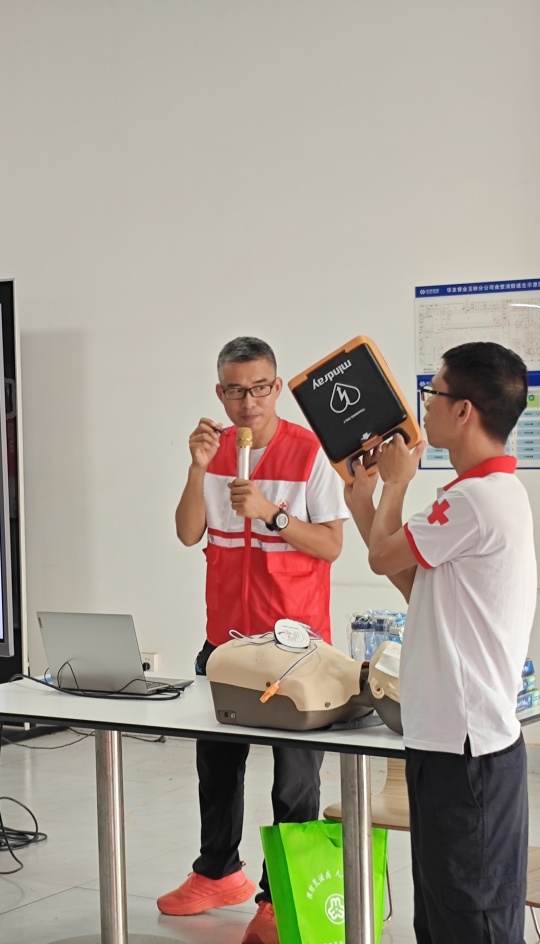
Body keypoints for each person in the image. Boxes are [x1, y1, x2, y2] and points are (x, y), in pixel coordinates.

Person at [342, 342, 536, 944]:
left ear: (464, 411)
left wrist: (397, 484)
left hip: (467, 751)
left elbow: (382, 557)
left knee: (470, 919)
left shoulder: (473, 501)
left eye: (433, 394)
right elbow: (414, 586)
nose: (422, 408)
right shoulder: (485, 493)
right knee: (444, 915)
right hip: (449, 741)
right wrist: (365, 503)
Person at [162, 336, 348, 944]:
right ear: (220, 393)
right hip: (226, 645)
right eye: (237, 390)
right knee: (216, 768)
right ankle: (217, 872)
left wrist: (273, 513)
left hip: (296, 653)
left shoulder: (309, 452)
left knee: (294, 782)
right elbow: (188, 533)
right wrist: (197, 467)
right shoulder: (214, 451)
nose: (250, 402)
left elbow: (331, 545)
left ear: (277, 386)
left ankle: (281, 897)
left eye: (261, 388)